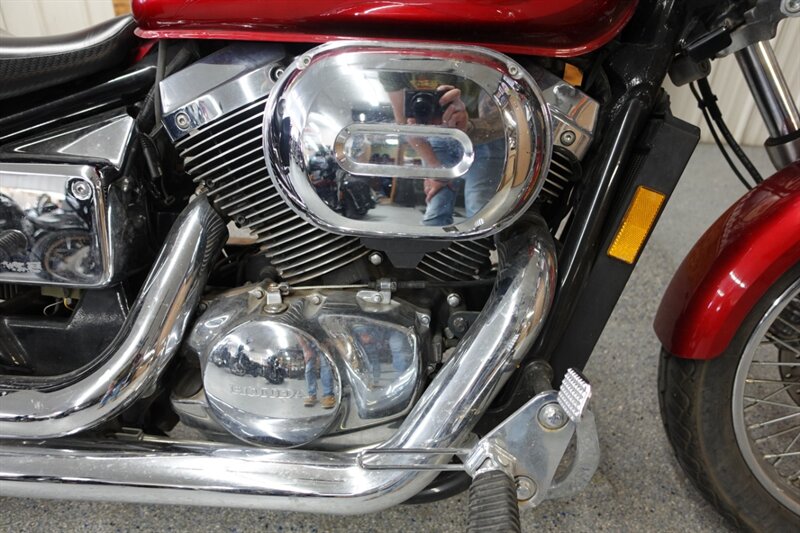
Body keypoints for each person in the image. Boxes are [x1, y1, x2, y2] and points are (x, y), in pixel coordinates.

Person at [379, 72, 505, 226]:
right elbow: (405, 124)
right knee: (437, 207)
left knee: (480, 211)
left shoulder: (481, 61)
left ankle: (479, 237)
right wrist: (435, 168)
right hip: (437, 133)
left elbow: (501, 120)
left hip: (483, 136)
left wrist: (467, 126)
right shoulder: (391, 66)